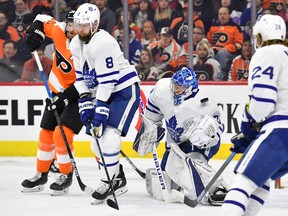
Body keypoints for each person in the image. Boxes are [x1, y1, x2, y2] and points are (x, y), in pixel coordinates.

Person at [70, 3, 140, 204]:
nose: (79, 29)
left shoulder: (104, 43)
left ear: (94, 24)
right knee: (95, 137)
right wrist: (84, 99)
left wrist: (99, 107)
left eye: (83, 25)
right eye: (77, 25)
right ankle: (117, 177)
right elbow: (80, 76)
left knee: (108, 134)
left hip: (123, 91)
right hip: (102, 91)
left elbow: (108, 81)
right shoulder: (75, 43)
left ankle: (109, 180)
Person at [221, 14, 288, 215]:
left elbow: (263, 104)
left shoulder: (267, 53)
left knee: (242, 181)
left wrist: (248, 125)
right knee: (260, 180)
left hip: (279, 132)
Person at [133, 67, 228, 206]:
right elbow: (153, 110)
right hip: (174, 143)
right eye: (174, 85)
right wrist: (150, 129)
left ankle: (218, 189)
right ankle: (158, 176)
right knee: (165, 188)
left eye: (179, 87)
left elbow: (217, 129)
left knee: (192, 164)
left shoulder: (205, 104)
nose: (174, 89)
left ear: (189, 88)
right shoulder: (162, 89)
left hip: (198, 144)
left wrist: (205, 135)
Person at [21, 10, 83, 196]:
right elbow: (41, 18)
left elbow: (88, 80)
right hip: (57, 92)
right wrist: (36, 33)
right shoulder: (58, 29)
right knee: (46, 131)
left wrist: (65, 97)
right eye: (70, 24)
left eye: (76, 25)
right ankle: (41, 174)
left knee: (61, 133)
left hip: (80, 95)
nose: (72, 29)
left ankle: (66, 174)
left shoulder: (88, 46)